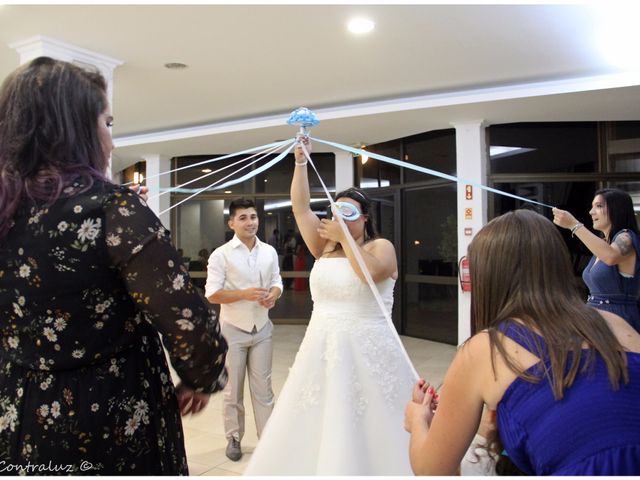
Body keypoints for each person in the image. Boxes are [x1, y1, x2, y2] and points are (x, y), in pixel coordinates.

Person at [0, 57, 228, 474]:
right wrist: (201, 376)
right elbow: (184, 317)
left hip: (18, 405)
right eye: (107, 123)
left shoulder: (8, 210)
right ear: (77, 130)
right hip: (110, 407)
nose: (111, 139)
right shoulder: (110, 209)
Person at [404, 209, 640, 475]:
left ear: (488, 279)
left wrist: (419, 420)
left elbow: (432, 471)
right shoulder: (618, 325)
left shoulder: (486, 349)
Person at [245, 138, 416, 475]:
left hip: (369, 350)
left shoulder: (381, 247)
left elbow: (368, 274)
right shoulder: (324, 247)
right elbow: (300, 208)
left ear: (365, 217)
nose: (342, 218)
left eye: (350, 213)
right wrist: (299, 162)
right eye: (337, 211)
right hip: (321, 345)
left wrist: (344, 237)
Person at [205, 198, 283, 462]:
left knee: (264, 389)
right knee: (232, 390)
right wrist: (244, 294)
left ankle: (268, 439)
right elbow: (212, 295)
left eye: (253, 216)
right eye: (243, 218)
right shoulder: (221, 255)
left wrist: (273, 295)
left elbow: (276, 281)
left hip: (262, 328)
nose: (250, 222)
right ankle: (234, 438)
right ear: (231, 223)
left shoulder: (269, 252)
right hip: (232, 331)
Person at [553, 188, 640, 331]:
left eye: (599, 206)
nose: (591, 212)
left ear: (616, 209)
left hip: (619, 322)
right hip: (596, 321)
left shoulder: (627, 237)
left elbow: (611, 256)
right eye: (592, 206)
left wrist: (574, 225)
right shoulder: (603, 243)